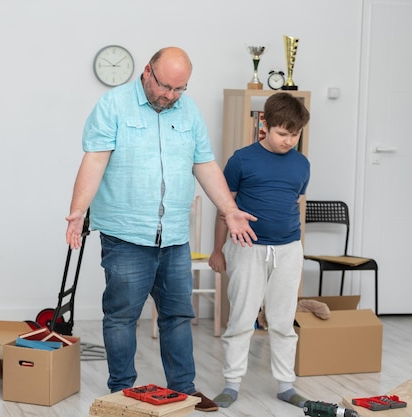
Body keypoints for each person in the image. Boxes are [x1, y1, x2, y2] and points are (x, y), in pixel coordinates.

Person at [65, 46, 257, 413]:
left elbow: (205, 163)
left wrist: (229, 209)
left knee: (178, 315)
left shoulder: (188, 110)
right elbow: (95, 160)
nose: (171, 96)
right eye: (166, 87)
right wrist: (77, 211)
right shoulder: (114, 105)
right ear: (148, 72)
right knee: (122, 317)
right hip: (126, 235)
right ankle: (122, 393)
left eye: (179, 89)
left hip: (173, 236)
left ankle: (184, 389)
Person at [208, 92, 311, 409]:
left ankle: (285, 385)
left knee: (282, 321)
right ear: (264, 124)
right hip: (246, 249)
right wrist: (217, 250)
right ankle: (232, 383)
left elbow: (293, 205)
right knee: (240, 319)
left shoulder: (301, 164)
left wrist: (293, 245)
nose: (289, 141)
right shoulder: (242, 159)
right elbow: (224, 209)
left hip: (289, 249)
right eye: (283, 133)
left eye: (295, 134)